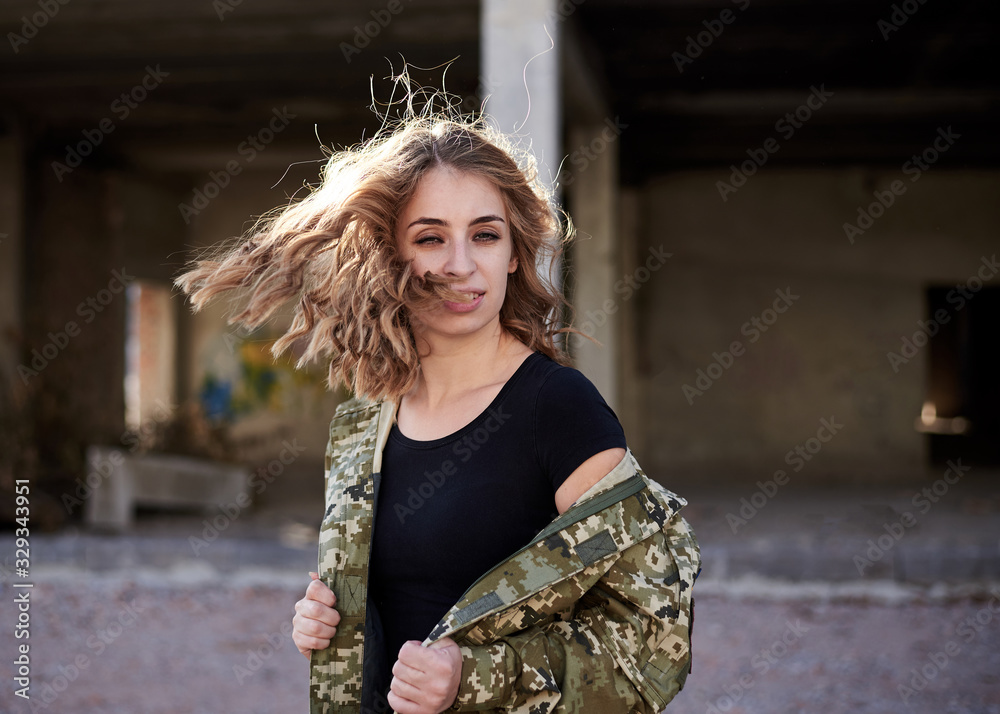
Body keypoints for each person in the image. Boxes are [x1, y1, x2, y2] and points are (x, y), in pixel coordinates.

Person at [176, 99, 699, 714]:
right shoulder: (364, 422)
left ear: (514, 252)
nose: (460, 265)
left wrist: (470, 676)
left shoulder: (558, 409)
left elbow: (654, 646)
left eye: (485, 234)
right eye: (430, 238)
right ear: (390, 255)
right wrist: (331, 627)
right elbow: (398, 604)